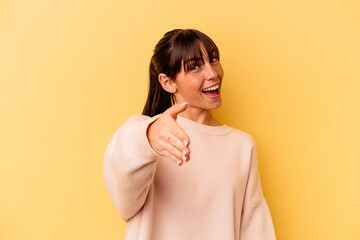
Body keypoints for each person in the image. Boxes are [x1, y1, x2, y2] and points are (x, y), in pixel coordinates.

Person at [103, 29, 276, 240]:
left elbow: (255, 229)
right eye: (195, 67)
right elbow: (124, 200)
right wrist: (148, 137)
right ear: (168, 82)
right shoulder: (144, 134)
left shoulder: (242, 146)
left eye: (214, 60)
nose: (213, 73)